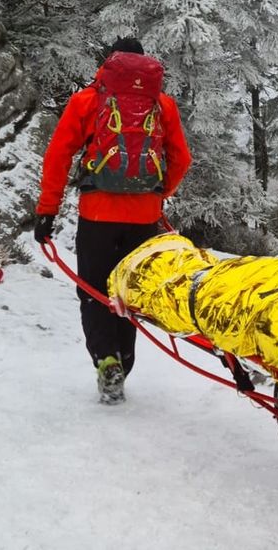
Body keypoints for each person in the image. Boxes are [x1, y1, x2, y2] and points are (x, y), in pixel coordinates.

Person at [34, 37, 191, 404]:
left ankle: (105, 359)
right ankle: (125, 360)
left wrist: (47, 210)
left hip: (97, 214)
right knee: (129, 290)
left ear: (109, 64)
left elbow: (58, 155)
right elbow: (181, 158)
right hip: (144, 217)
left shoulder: (88, 100)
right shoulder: (161, 105)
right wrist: (157, 192)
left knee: (94, 290)